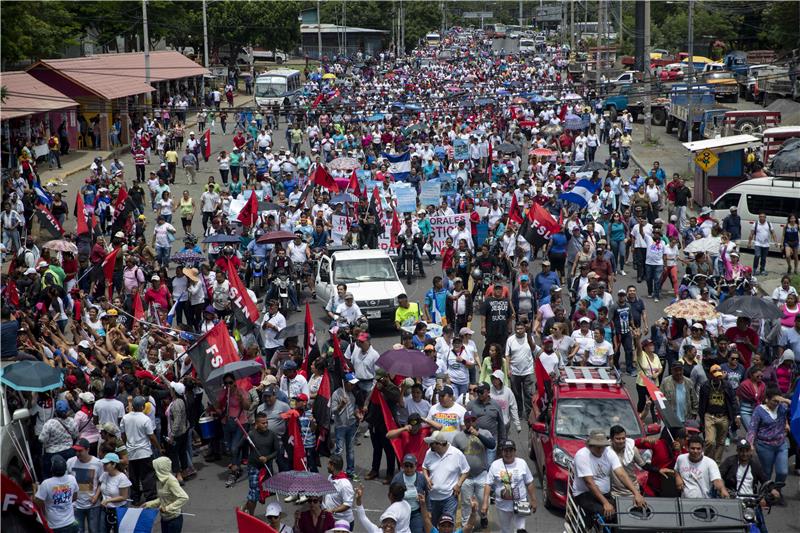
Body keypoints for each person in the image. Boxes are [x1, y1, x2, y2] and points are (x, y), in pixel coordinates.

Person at [570, 429, 646, 518]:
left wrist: (636, 493)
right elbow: (589, 483)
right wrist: (605, 503)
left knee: (623, 512)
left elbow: (621, 474)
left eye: (602, 446)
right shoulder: (582, 455)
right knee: (608, 515)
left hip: (605, 493)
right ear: (589, 446)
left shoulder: (609, 452)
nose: (601, 449)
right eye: (597, 447)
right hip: (585, 494)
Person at [482, 439, 538, 533]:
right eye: (505, 451)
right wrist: (485, 503)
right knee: (505, 530)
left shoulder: (522, 463)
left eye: (510, 450)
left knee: (520, 530)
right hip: (502, 506)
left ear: (515, 451)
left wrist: (533, 499)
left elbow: (529, 482)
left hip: (521, 504)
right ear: (502, 452)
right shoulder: (495, 465)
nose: (508, 454)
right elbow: (488, 484)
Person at [452, 411, 495, 529]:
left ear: (476, 420)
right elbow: (453, 455)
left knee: (482, 500)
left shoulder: (485, 432)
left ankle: (483, 517)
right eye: (467, 420)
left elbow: (492, 445)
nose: (470, 422)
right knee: (466, 502)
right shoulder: (458, 436)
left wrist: (477, 434)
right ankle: (466, 525)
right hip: (466, 476)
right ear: (464, 422)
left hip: (481, 473)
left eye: (473, 420)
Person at [747, 387, 792, 502]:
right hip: (764, 445)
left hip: (781, 444)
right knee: (766, 472)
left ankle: (777, 490)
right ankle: (767, 492)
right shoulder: (759, 410)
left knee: (783, 471)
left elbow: (796, 406)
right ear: (767, 399)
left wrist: (785, 400)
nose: (776, 404)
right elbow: (753, 428)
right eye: (774, 401)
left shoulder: (783, 407)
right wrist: (750, 443)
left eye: (778, 401)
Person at [422, 431, 470, 525]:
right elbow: (424, 467)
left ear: (439, 444)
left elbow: (466, 470)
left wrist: (458, 484)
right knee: (433, 525)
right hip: (432, 498)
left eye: (431, 444)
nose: (429, 446)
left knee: (447, 526)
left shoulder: (456, 454)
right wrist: (427, 478)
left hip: (449, 498)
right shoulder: (429, 453)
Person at [698, 364, 738, 463]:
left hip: (723, 416)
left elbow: (733, 400)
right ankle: (707, 461)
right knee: (710, 441)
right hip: (709, 416)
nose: (717, 378)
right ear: (710, 375)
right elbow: (701, 403)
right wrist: (702, 418)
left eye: (719, 375)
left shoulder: (727, 385)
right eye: (715, 375)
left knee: (721, 442)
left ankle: (716, 463)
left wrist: (736, 415)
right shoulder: (705, 386)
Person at [244, 412, 279, 516]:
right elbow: (239, 447)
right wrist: (234, 463)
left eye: (266, 422)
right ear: (257, 424)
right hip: (254, 467)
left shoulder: (272, 435)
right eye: (263, 423)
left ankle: (245, 507)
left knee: (259, 493)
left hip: (267, 468)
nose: (266, 425)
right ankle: (251, 516)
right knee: (254, 493)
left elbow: (277, 451)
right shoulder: (251, 435)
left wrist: (267, 458)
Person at [143, 457, 189, 533]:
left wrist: (168, 508)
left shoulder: (171, 481)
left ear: (160, 469)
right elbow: (163, 498)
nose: (154, 470)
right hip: (164, 518)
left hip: (174, 519)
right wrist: (148, 504)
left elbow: (184, 497)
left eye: (155, 468)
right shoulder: (161, 480)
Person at [67, 438, 104, 533]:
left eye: (80, 451)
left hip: (93, 505)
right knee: (78, 530)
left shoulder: (98, 463)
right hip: (76, 505)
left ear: (88, 450)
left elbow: (102, 482)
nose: (78, 453)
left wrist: (96, 496)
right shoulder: (70, 462)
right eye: (76, 451)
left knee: (94, 530)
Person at [34, 455, 79, 533]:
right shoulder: (72, 479)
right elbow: (74, 497)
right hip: (71, 523)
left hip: (55, 527)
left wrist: (35, 490)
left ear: (51, 468)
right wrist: (64, 501)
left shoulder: (46, 483)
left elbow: (37, 503)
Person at [391, 454, 429, 533]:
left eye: (411, 466)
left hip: (416, 513)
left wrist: (429, 511)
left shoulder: (421, 478)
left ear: (415, 466)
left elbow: (428, 495)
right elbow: (392, 495)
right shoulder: (397, 478)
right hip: (402, 513)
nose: (408, 469)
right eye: (406, 466)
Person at [98, 453, 132, 533]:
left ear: (114, 464)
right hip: (105, 509)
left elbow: (124, 497)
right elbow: (100, 486)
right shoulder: (104, 475)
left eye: (106, 464)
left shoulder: (122, 478)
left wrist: (108, 500)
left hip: (118, 510)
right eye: (104, 464)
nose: (104, 466)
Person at [322, 456, 355, 530]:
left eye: (328, 464)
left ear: (333, 465)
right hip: (331, 519)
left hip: (343, 523)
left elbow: (347, 504)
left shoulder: (345, 485)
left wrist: (332, 510)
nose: (327, 466)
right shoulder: (330, 477)